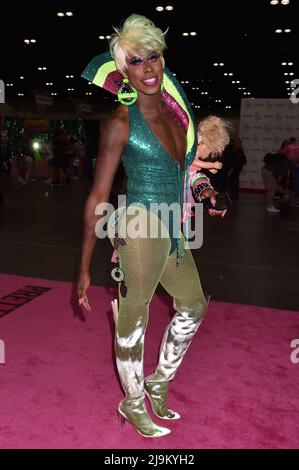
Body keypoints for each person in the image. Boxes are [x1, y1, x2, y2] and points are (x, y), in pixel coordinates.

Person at [77, 14, 227, 438]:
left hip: (174, 228)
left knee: (194, 305)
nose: (148, 68)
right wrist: (84, 267)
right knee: (134, 315)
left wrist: (203, 189)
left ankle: (158, 381)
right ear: (124, 70)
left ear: (163, 59)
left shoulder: (180, 118)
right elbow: (97, 197)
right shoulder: (120, 122)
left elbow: (184, 169)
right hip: (140, 224)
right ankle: (133, 399)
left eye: (154, 57)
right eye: (137, 61)